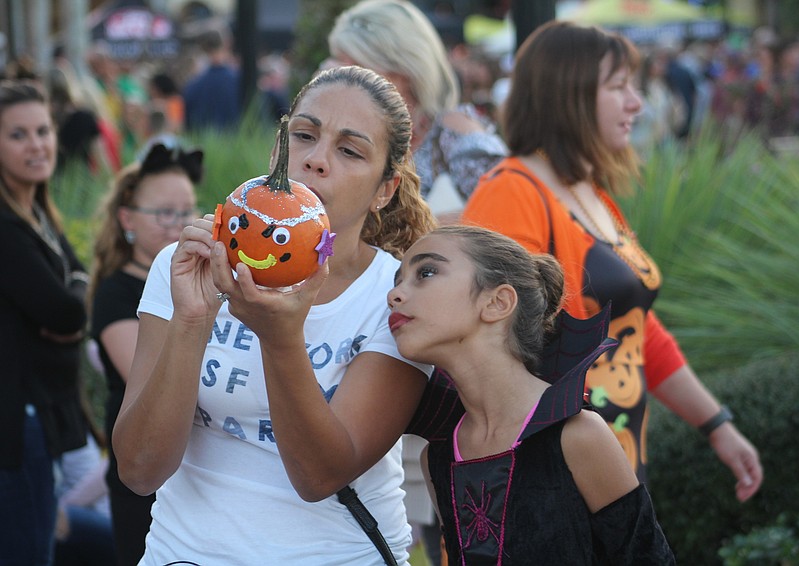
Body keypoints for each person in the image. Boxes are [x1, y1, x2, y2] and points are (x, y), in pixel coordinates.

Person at [112, 65, 437, 565]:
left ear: (384, 191)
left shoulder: (393, 296)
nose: (315, 160)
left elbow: (319, 475)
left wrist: (281, 338)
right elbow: (139, 470)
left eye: (349, 150)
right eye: (303, 136)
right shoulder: (187, 267)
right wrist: (192, 321)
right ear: (276, 153)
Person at [462, 21, 763, 502]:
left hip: (615, 469)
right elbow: (485, 351)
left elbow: (638, 329)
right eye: (618, 86)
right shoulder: (512, 191)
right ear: (569, 94)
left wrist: (716, 424)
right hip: (551, 482)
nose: (637, 103)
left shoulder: (589, 193)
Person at [389, 225, 676, 564]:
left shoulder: (579, 436)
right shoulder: (438, 458)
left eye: (426, 272)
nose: (395, 295)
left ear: (498, 302)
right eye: (397, 281)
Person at [88, 142, 203, 565]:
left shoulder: (202, 280)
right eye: (164, 213)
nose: (178, 225)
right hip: (145, 473)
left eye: (188, 211)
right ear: (127, 219)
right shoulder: (116, 293)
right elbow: (154, 373)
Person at [0, 80, 90, 564]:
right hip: (18, 424)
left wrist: (73, 293)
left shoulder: (37, 212)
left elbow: (75, 291)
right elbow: (66, 310)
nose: (36, 144)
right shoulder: (5, 224)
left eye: (42, 130)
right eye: (18, 135)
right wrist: (73, 298)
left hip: (43, 414)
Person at [326, 0, 507, 221]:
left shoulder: (452, 131)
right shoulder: (355, 135)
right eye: (340, 68)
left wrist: (426, 230)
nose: (346, 82)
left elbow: (511, 209)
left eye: (357, 69)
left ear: (403, 69)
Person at [53, 432, 117, 566]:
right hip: (93, 513)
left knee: (52, 519)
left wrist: (60, 509)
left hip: (104, 517)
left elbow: (102, 479)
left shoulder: (71, 432)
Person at [182, 26, 241, 132]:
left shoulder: (192, 87)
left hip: (204, 146)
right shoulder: (240, 81)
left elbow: (188, 127)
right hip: (237, 145)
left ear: (202, 48)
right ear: (227, 44)